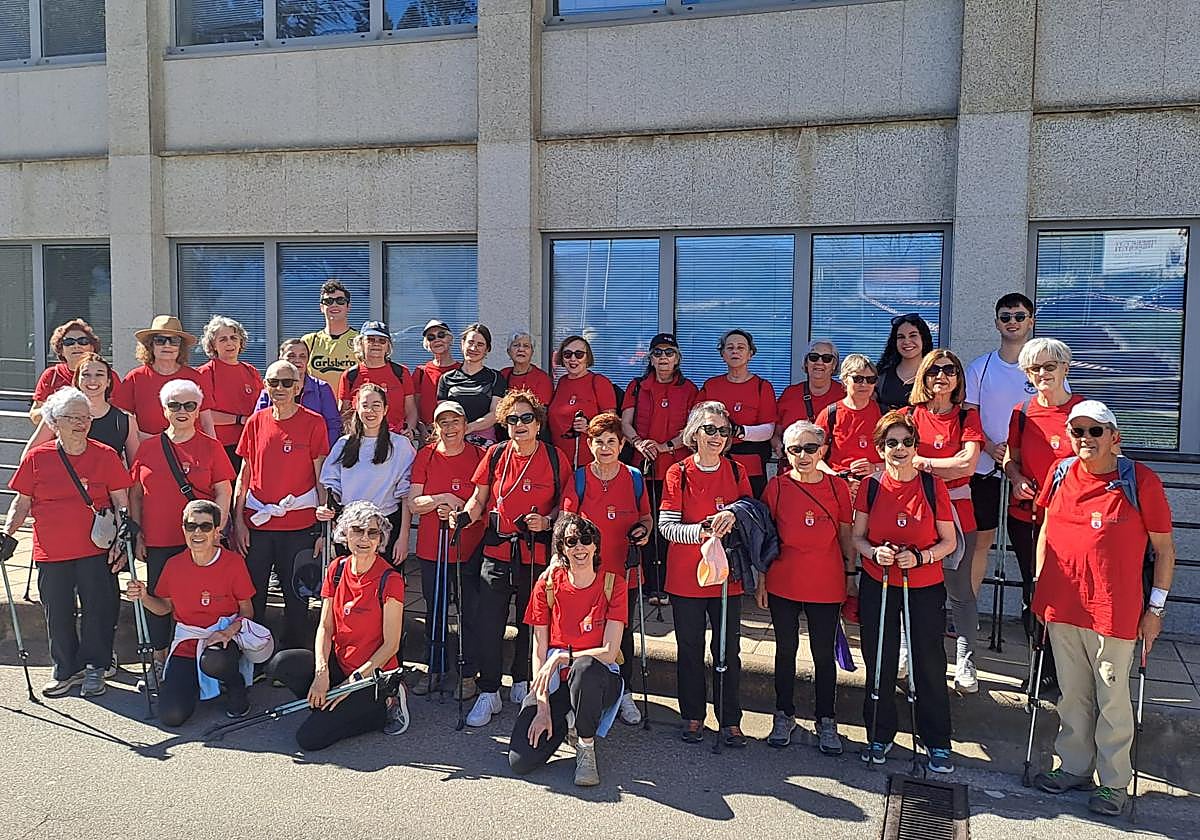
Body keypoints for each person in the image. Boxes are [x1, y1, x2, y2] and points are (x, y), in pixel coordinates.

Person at [1031, 400, 1176, 818]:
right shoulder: (1060, 473)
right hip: (1062, 605)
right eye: (1078, 431)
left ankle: (1113, 783)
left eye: (1095, 431)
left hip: (1115, 610)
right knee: (1072, 692)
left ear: (1116, 438)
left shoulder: (1140, 480)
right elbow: (1046, 532)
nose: (1085, 439)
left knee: (1112, 696)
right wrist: (1041, 588)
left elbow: (1165, 550)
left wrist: (1157, 609)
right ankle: (1074, 766)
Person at [451, 389, 571, 727]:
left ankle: (522, 680)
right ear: (504, 423)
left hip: (536, 551)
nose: (519, 424)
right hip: (497, 549)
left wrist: (548, 522)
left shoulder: (554, 457)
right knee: (489, 622)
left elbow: (567, 503)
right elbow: (478, 499)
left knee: (530, 621)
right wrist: (464, 516)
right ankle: (489, 690)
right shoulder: (495, 454)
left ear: (537, 422)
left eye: (526, 418)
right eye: (512, 419)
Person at [4, 387, 132, 698]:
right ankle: (65, 668)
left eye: (85, 417)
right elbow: (21, 503)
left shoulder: (105, 455)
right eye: (71, 417)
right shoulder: (37, 457)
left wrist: (124, 536)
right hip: (51, 549)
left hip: (95, 548)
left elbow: (122, 502)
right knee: (56, 611)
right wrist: (7, 533)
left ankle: (95, 667)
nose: (80, 423)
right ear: (54, 421)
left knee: (98, 610)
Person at [852, 410, 957, 772]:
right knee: (878, 658)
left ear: (916, 447)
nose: (900, 449)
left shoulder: (932, 486)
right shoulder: (871, 486)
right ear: (881, 448)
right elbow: (857, 538)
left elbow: (949, 541)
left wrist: (922, 556)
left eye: (907, 442)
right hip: (879, 583)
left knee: (928, 661)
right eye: (892, 443)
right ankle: (879, 733)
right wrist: (874, 552)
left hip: (923, 584)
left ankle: (937, 740)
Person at [267, 501, 409, 750]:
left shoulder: (391, 579)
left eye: (372, 532)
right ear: (345, 533)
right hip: (339, 663)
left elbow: (391, 645)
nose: (364, 538)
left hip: (371, 674)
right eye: (357, 530)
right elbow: (325, 627)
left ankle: (383, 708)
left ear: (380, 539)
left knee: (309, 739)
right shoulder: (336, 568)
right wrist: (321, 673)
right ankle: (328, 705)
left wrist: (351, 683)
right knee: (282, 664)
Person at [658, 401, 753, 747]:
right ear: (694, 432)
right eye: (709, 429)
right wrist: (701, 531)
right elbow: (666, 526)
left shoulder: (738, 471)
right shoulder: (677, 472)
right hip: (687, 576)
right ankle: (692, 716)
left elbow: (750, 512)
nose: (716, 436)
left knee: (728, 650)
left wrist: (734, 515)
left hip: (728, 577)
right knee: (690, 649)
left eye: (723, 431)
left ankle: (730, 719)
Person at [509, 513, 627, 787]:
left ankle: (586, 747)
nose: (580, 548)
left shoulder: (613, 584)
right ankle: (568, 719)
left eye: (586, 540)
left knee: (584, 668)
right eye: (571, 541)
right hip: (555, 680)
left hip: (597, 678)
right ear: (561, 548)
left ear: (596, 546)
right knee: (520, 761)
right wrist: (542, 708)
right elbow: (539, 650)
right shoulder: (547, 584)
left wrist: (564, 655)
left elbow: (609, 652)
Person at [130, 378, 236, 677]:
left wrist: (218, 527)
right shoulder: (148, 448)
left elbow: (224, 491)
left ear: (198, 409)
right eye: (174, 405)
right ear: (164, 409)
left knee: (203, 597)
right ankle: (160, 658)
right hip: (160, 538)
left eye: (189, 405)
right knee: (158, 600)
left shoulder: (211, 447)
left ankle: (205, 658)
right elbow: (136, 493)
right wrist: (139, 533)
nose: (182, 411)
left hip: (201, 539)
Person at [760, 420, 854, 754]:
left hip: (826, 581)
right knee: (785, 651)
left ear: (823, 450)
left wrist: (851, 575)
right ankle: (783, 714)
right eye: (795, 449)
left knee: (823, 655)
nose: (803, 455)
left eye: (810, 448)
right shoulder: (778, 487)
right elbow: (766, 539)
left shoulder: (838, 487)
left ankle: (826, 720)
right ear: (785, 453)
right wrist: (762, 580)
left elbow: (846, 534)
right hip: (784, 580)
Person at [125, 500, 258, 725]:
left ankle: (236, 686)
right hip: (187, 641)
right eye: (191, 526)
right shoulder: (173, 565)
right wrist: (143, 596)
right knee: (171, 716)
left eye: (205, 527)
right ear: (183, 529)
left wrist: (227, 633)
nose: (197, 532)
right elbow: (165, 608)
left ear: (217, 532)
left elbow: (247, 612)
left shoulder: (233, 563)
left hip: (223, 639)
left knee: (213, 660)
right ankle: (194, 684)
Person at [1003, 337, 1084, 693]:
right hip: (1028, 519)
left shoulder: (1085, 413)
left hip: (1074, 524)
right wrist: (1017, 479)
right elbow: (1010, 459)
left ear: (1065, 367)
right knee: (1033, 593)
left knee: (1072, 595)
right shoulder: (1022, 413)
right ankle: (1042, 666)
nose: (1042, 374)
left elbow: (1107, 464)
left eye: (1049, 366)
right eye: (1034, 369)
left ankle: (1073, 670)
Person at [561, 413, 652, 725]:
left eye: (611, 441)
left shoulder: (634, 477)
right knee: (588, 632)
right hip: (588, 574)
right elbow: (566, 522)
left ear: (622, 444)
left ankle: (624, 693)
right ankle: (584, 693)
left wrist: (642, 532)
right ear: (589, 444)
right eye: (599, 442)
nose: (605, 447)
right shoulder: (580, 477)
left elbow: (646, 518)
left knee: (623, 636)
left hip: (623, 572)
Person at [233, 360, 331, 649]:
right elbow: (244, 474)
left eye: (287, 383)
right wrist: (238, 521)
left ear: (299, 387)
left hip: (299, 527)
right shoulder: (256, 422)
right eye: (274, 382)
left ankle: (291, 661)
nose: (280, 388)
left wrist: (321, 531)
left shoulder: (314, 422)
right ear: (265, 385)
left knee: (296, 597)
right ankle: (254, 656)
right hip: (257, 525)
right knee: (254, 595)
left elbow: (320, 478)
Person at [905, 350, 984, 693]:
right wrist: (943, 463)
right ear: (923, 375)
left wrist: (922, 462)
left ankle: (965, 660)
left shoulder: (967, 415)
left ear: (958, 378)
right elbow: (892, 455)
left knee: (959, 588)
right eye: (934, 369)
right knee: (914, 584)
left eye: (949, 369)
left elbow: (967, 465)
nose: (942, 376)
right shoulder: (908, 415)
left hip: (957, 511)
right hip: (915, 510)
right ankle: (909, 651)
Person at [407, 401, 486, 697]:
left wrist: (459, 510)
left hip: (470, 548)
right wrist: (443, 498)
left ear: (465, 425)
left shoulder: (479, 455)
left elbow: (484, 499)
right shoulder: (425, 456)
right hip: (433, 549)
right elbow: (415, 503)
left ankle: (468, 674)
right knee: (435, 611)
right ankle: (434, 668)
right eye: (444, 423)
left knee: (470, 613)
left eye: (455, 422)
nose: (450, 428)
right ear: (435, 428)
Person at [964, 293, 1037, 596]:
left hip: (1027, 474)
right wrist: (988, 445)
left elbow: (1053, 416)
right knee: (981, 543)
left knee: (1030, 547)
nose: (1012, 322)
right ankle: (965, 612)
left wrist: (1018, 455)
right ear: (996, 323)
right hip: (985, 469)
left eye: (1019, 317)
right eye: (1006, 317)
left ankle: (1035, 617)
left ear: (1030, 322)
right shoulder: (980, 368)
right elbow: (969, 413)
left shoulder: (1041, 370)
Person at [620, 332, 698, 606]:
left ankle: (666, 584)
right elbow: (625, 423)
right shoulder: (637, 386)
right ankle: (646, 583)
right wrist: (639, 443)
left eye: (669, 352)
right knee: (644, 522)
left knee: (670, 527)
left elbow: (691, 430)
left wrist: (665, 446)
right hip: (642, 466)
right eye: (657, 353)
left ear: (677, 358)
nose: (663, 358)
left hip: (675, 468)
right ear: (650, 358)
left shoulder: (689, 388)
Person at [320, 383, 416, 565]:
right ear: (356, 407)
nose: (370, 411)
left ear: (385, 409)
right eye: (365, 405)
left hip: (385, 526)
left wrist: (403, 538)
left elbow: (406, 496)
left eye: (376, 405)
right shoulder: (343, 444)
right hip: (350, 527)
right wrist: (330, 516)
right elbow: (330, 488)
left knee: (383, 586)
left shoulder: (401, 446)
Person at [697, 329, 776, 498]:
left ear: (750, 354)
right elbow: (694, 420)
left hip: (750, 464)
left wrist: (739, 431)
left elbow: (768, 429)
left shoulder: (762, 386)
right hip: (714, 460)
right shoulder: (711, 385)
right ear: (723, 354)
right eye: (730, 347)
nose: (735, 351)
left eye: (741, 348)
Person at [24, 354, 140, 465]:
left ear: (108, 382)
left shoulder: (125, 420)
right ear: (77, 381)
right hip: (63, 482)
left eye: (99, 374)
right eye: (86, 374)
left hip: (106, 484)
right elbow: (28, 457)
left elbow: (136, 467)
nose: (92, 380)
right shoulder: (58, 413)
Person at [112, 315, 216, 439]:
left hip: (190, 451)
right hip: (147, 448)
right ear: (150, 345)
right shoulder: (135, 377)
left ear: (180, 347)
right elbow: (122, 420)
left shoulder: (195, 378)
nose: (167, 345)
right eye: (160, 340)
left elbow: (207, 422)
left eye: (174, 341)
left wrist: (214, 450)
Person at [197, 315, 264, 471]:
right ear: (213, 345)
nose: (230, 343)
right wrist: (239, 419)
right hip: (221, 446)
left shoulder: (251, 371)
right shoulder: (205, 373)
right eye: (223, 339)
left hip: (250, 445)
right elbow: (204, 415)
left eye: (234, 337)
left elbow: (263, 409)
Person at [31, 319, 119, 426]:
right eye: (69, 342)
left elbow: (120, 411)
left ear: (92, 347)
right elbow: (34, 415)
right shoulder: (51, 375)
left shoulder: (108, 375)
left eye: (83, 341)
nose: (76, 346)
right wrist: (60, 410)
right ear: (61, 349)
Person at [255, 339, 342, 446]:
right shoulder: (271, 389)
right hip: (276, 449)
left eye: (302, 356)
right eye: (291, 356)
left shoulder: (321, 389)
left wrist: (324, 453)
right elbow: (257, 424)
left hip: (313, 454)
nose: (297, 360)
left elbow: (333, 426)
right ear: (281, 358)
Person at [337, 321, 417, 437]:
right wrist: (353, 435)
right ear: (361, 343)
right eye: (370, 340)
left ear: (388, 346)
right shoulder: (350, 375)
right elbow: (344, 413)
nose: (376, 344)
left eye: (382, 341)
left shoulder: (401, 372)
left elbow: (411, 410)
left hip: (396, 437)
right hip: (362, 438)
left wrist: (410, 429)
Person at [548, 335, 617, 469]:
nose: (573, 359)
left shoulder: (599, 382)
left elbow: (613, 424)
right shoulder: (561, 382)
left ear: (587, 357)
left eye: (579, 354)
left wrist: (589, 427)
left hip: (588, 460)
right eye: (567, 354)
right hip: (559, 459)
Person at [817, 353, 883, 485]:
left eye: (870, 379)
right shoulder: (830, 414)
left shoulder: (884, 414)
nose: (864, 384)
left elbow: (902, 457)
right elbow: (814, 458)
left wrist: (874, 468)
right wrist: (838, 478)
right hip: (838, 484)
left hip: (877, 484)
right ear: (845, 380)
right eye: (858, 379)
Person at [773, 340, 846, 456]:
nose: (819, 362)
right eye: (813, 357)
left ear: (834, 365)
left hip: (831, 469)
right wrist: (780, 448)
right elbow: (775, 434)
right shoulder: (790, 393)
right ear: (806, 363)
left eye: (827, 358)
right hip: (793, 466)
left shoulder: (845, 395)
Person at [436, 323, 506, 446]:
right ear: (462, 344)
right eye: (470, 342)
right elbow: (443, 415)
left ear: (487, 349)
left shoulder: (495, 377)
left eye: (480, 345)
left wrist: (469, 427)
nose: (474, 348)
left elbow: (495, 414)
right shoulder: (446, 378)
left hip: (484, 443)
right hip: (452, 440)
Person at [302, 279, 360, 392]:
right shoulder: (309, 341)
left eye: (340, 301)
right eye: (328, 301)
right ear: (321, 308)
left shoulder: (360, 340)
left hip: (351, 406)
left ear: (348, 307)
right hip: (317, 405)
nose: (334, 305)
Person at [876, 314, 935, 412]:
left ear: (923, 339)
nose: (906, 341)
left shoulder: (935, 374)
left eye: (913, 335)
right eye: (901, 337)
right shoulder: (882, 374)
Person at [413, 319, 461, 436]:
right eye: (431, 337)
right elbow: (413, 407)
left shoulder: (462, 370)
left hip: (457, 434)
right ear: (427, 344)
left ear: (450, 339)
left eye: (441, 335)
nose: (437, 340)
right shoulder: (421, 372)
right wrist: (422, 430)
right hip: (428, 435)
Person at [501, 331, 553, 406]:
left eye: (526, 346)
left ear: (532, 352)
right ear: (508, 351)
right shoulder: (503, 374)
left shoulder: (542, 378)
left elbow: (542, 411)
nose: (521, 349)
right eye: (516, 345)